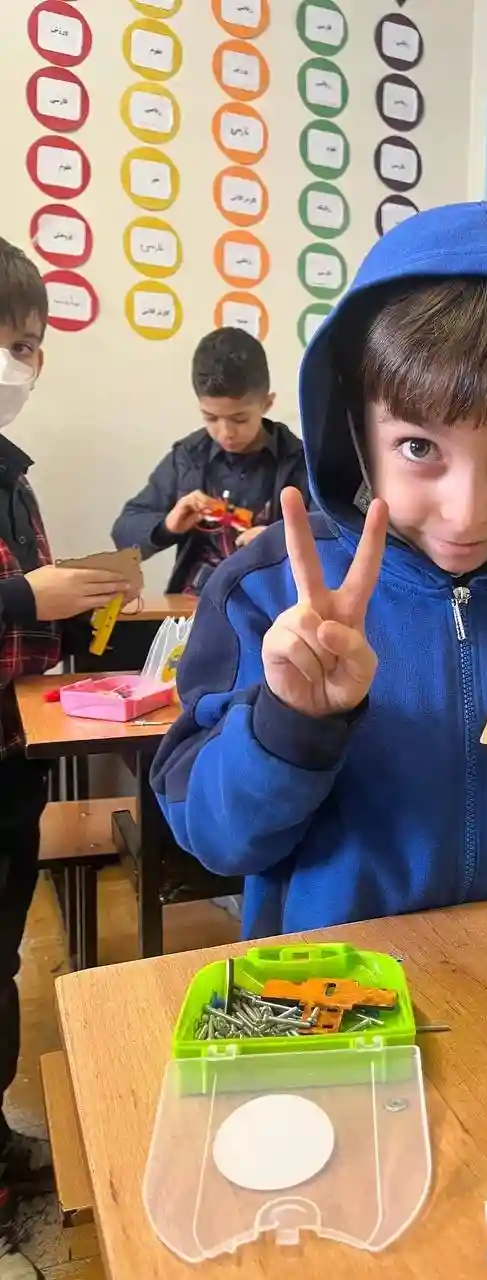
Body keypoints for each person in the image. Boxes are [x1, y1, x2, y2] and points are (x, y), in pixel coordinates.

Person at [151, 202, 487, 939]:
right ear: (358, 430)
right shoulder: (267, 590)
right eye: (419, 448)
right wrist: (290, 722)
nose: (466, 514)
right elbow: (213, 837)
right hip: (340, 992)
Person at [0, 239, 136, 1280]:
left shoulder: (14, 479)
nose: (22, 365)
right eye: (8, 342)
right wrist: (24, 597)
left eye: (32, 346)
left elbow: (37, 614)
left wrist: (77, 603)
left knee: (2, 957)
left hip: (14, 754)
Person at [111, 327, 310, 595]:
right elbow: (124, 531)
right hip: (195, 602)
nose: (226, 433)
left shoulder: (300, 462)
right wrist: (167, 526)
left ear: (267, 403)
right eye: (211, 418)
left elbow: (335, 534)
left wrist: (282, 539)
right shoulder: (188, 458)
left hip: (274, 605)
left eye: (240, 419)